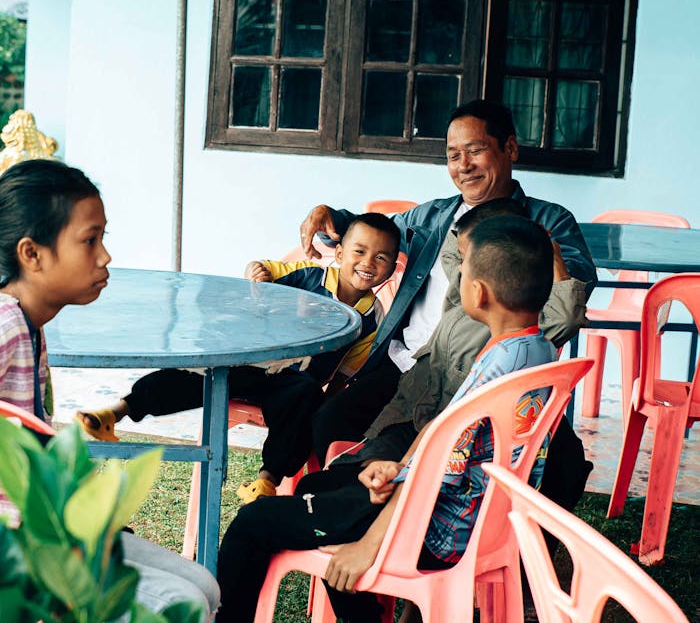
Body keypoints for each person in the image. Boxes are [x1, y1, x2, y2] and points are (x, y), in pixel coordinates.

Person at [0, 159, 219, 619]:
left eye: (103, 238)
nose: (104, 256)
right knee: (185, 605)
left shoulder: (17, 319)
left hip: (31, 527)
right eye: (89, 240)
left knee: (203, 585)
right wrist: (26, 461)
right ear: (32, 254)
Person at [216, 215, 557, 622]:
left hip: (437, 530)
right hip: (481, 517)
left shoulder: (495, 372)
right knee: (318, 484)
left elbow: (438, 472)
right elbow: (444, 436)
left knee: (254, 520)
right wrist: (399, 468)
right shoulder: (536, 352)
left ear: (478, 292)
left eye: (461, 270)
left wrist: (370, 544)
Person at [297, 100, 595, 514]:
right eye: (453, 156)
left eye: (475, 150)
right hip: (408, 363)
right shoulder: (434, 215)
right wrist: (333, 216)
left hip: (491, 372)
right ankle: (361, 513)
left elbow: (570, 296)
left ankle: (504, 541)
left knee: (560, 462)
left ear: (510, 148)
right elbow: (378, 231)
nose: (463, 166)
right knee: (328, 421)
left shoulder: (546, 221)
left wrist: (542, 246)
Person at [77, 213, 401, 502]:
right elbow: (263, 272)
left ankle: (266, 480)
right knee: (190, 375)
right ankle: (117, 412)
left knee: (308, 402)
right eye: (359, 251)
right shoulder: (307, 276)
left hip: (293, 385)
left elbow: (344, 374)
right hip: (253, 364)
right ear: (340, 252)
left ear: (392, 266)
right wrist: (256, 272)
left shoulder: (371, 318)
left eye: (381, 257)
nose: (368, 262)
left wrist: (322, 412)